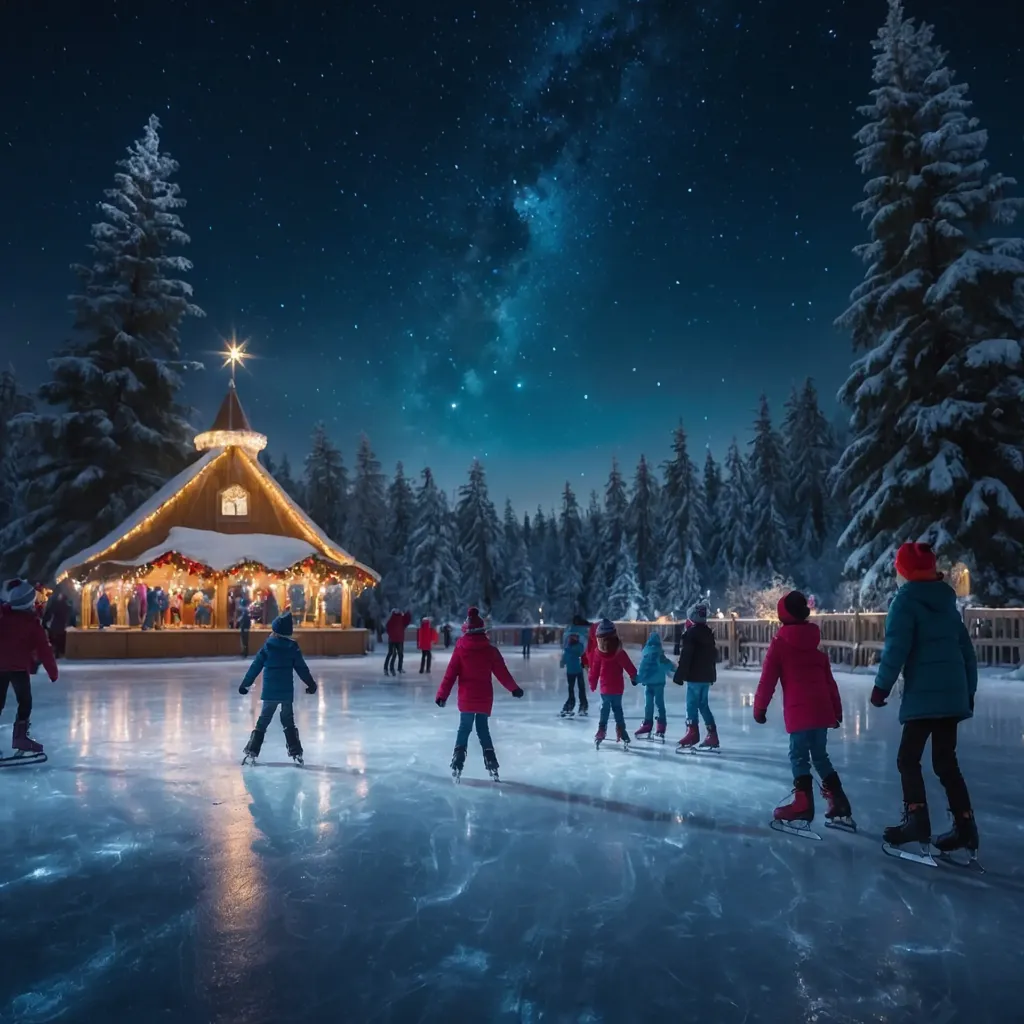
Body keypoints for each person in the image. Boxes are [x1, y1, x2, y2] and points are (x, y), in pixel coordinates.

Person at [871, 543, 979, 857]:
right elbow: (966, 653)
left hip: (923, 695)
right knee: (946, 762)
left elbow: (896, 650)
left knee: (908, 759)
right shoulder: (947, 603)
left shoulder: (904, 603)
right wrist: (967, 691)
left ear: (902, 572)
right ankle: (966, 826)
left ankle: (917, 821)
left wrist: (881, 688)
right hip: (952, 692)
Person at [753, 591, 851, 829]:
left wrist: (760, 708)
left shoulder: (780, 644)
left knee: (798, 757)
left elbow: (768, 679)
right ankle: (839, 802)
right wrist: (836, 712)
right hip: (821, 712)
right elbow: (830, 683)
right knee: (819, 756)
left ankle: (802, 805)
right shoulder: (815, 646)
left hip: (799, 713)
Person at [436, 606, 523, 781]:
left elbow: (450, 674)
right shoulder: (490, 651)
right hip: (484, 698)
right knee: (483, 729)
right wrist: (514, 688)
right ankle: (491, 760)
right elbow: (502, 673)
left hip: (467, 698)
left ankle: (458, 759)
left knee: (464, 728)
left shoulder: (460, 650)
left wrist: (442, 695)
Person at [239, 610, 317, 764]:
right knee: (288, 721)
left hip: (270, 693)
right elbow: (302, 668)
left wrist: (245, 684)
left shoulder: (268, 646)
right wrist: (311, 684)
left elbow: (255, 667)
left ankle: (252, 751)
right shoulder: (292, 648)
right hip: (286, 693)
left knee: (263, 721)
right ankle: (296, 752)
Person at [0, 579, 59, 759]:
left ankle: (20, 738)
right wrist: (53, 672)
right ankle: (20, 738)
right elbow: (44, 649)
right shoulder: (33, 624)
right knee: (25, 702)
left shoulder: (2, 617)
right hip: (18, 669)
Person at [673, 604, 720, 750]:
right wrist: (711, 674)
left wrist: (679, 675)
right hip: (705, 677)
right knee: (703, 705)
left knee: (691, 705)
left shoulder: (691, 634)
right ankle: (712, 735)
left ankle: (692, 733)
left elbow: (686, 656)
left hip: (694, 677)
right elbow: (712, 656)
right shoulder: (708, 633)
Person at [588, 619, 637, 748]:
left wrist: (593, 683)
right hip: (614, 688)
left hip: (609, 688)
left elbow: (594, 671)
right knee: (616, 710)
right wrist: (634, 676)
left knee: (606, 709)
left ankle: (606, 729)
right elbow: (629, 666)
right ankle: (617, 728)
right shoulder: (616, 653)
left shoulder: (614, 653)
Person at [635, 632, 675, 740]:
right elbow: (668, 665)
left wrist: (637, 679)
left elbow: (642, 670)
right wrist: (676, 669)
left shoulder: (646, 655)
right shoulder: (660, 655)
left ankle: (647, 724)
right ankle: (661, 726)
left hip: (648, 685)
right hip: (659, 685)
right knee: (659, 705)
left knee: (648, 705)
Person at [558, 629, 589, 717]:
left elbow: (579, 652)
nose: (573, 638)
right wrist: (562, 662)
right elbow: (565, 658)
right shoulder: (568, 649)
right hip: (571, 671)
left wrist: (566, 653)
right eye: (572, 637)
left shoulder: (577, 647)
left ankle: (582, 706)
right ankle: (571, 705)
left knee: (580, 689)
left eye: (575, 637)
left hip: (577, 670)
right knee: (571, 689)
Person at [43, 587, 73, 659]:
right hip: (62, 625)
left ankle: (56, 652)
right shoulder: (66, 605)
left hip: (56, 625)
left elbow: (50, 613)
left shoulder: (55, 603)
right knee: (60, 639)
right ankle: (59, 652)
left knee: (55, 639)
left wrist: (45, 622)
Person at [384, 608, 412, 676]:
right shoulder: (400, 618)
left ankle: (389, 668)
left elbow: (387, 628)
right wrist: (408, 614)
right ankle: (393, 668)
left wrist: (391, 635)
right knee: (397, 654)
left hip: (394, 639)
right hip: (398, 639)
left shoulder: (393, 619)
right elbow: (407, 621)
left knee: (393, 654)